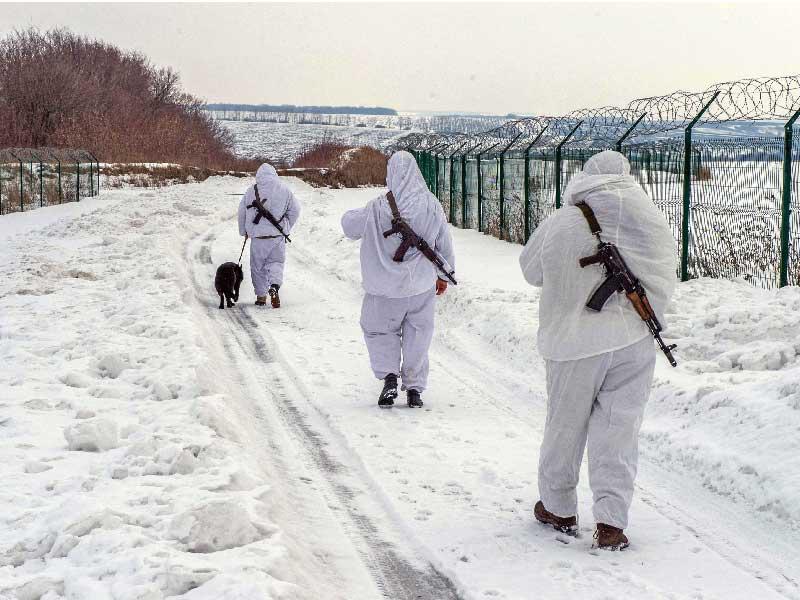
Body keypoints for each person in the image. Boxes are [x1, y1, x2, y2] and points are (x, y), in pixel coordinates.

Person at [519, 150, 676, 550]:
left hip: (575, 343)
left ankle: (558, 507)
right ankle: (611, 522)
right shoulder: (651, 218)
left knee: (565, 426)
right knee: (618, 431)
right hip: (634, 340)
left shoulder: (563, 220)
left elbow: (530, 270)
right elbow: (664, 273)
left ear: (585, 176)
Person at [341, 151, 455, 408]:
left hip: (383, 290)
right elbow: (443, 242)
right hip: (420, 288)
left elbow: (349, 226)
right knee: (419, 334)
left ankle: (389, 377)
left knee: (379, 331)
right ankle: (414, 389)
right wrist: (445, 274)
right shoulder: (431, 204)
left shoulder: (377, 207)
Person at [238, 163, 301, 307]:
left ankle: (261, 297)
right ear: (274, 174)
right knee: (276, 263)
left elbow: (242, 212)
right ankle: (274, 286)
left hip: (258, 238)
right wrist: (285, 226)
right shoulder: (285, 190)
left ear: (258, 175)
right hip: (277, 237)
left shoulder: (251, 191)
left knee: (257, 267)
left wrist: (244, 231)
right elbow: (295, 210)